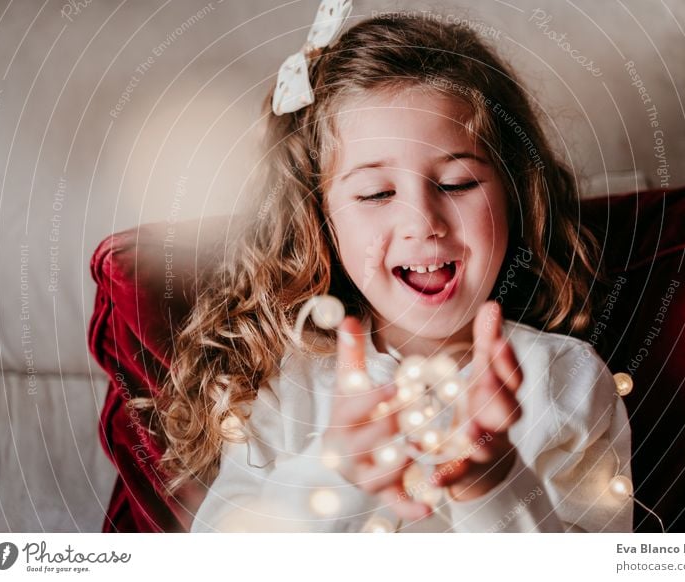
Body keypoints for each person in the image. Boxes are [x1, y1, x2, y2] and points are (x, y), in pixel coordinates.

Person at [141, 6, 633, 533]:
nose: (423, 223)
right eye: (376, 193)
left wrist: (493, 485)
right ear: (322, 222)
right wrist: (335, 475)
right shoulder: (289, 385)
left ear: (514, 194)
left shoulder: (568, 381)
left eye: (458, 182)